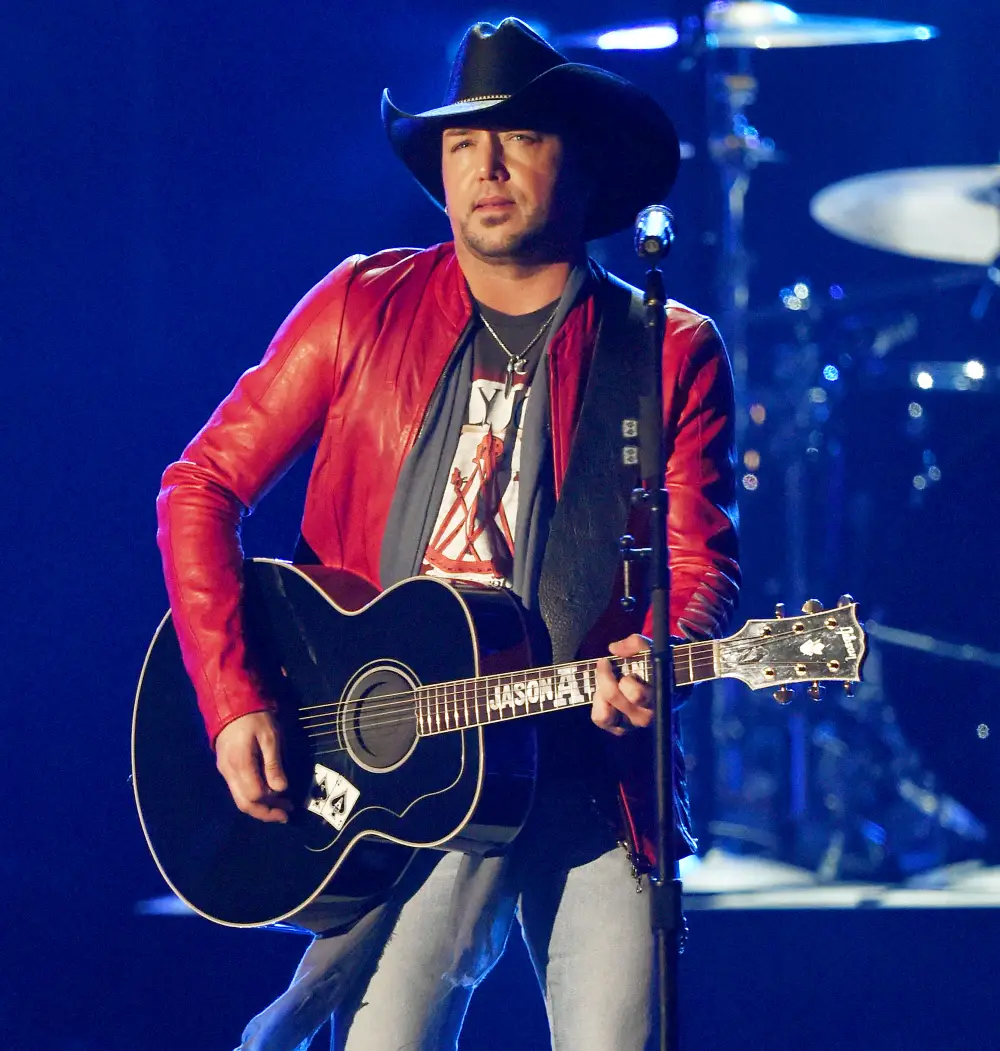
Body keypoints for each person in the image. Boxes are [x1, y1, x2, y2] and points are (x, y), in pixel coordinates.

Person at [156, 17, 739, 1051]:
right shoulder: (358, 306)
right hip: (403, 772)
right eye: (463, 142)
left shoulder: (666, 347)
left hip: (587, 765)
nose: (487, 165)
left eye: (520, 136)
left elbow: (698, 567)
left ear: (582, 159)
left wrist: (660, 651)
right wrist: (233, 697)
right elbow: (198, 487)